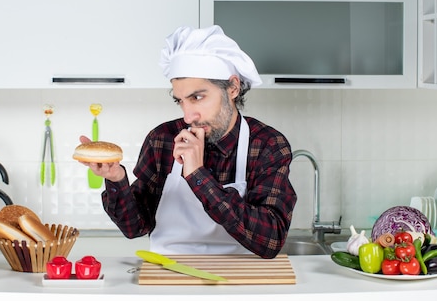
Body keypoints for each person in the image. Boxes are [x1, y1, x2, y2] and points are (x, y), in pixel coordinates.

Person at [78, 25, 297, 259]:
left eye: (198, 97)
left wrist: (198, 176)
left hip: (240, 278)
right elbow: (135, 228)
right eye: (181, 101)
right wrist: (117, 180)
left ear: (232, 87)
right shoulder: (161, 139)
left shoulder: (267, 145)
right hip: (168, 275)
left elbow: (271, 241)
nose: (188, 116)